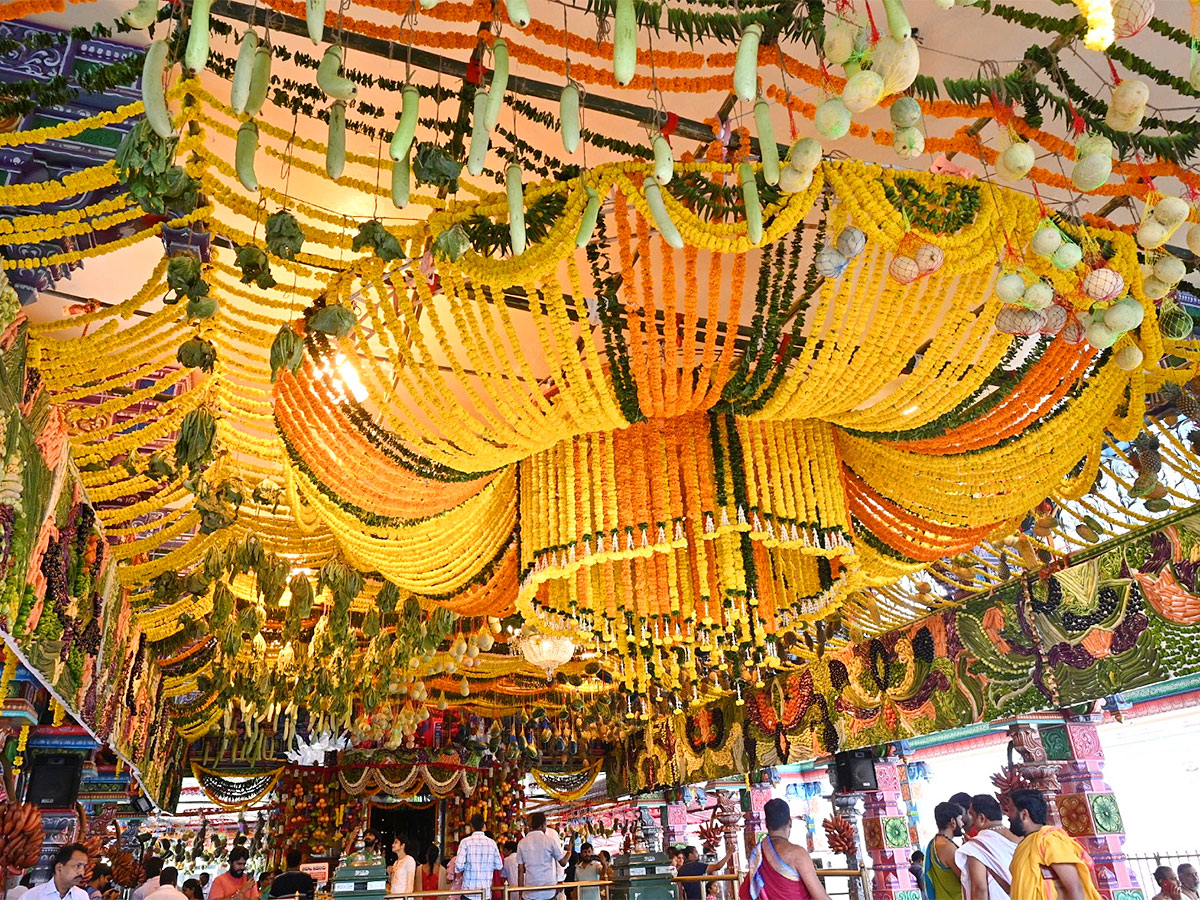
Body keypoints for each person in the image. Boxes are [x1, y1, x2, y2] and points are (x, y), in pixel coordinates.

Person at [1008, 789, 1100, 900]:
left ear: (1024, 814)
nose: (1008, 816)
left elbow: (1075, 888)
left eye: (1010, 810)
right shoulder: (1026, 844)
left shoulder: (1048, 840)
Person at [738, 797, 831, 900]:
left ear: (767, 824)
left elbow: (744, 892)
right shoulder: (797, 854)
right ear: (790, 822)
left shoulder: (758, 851)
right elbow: (821, 897)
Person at [953, 795, 1018, 900]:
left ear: (981, 818)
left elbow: (980, 889)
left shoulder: (975, 848)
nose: (970, 820)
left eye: (972, 815)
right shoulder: (1019, 837)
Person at [517, 813, 569, 900]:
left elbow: (520, 870)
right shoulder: (550, 841)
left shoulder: (522, 843)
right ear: (543, 824)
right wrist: (569, 851)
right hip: (548, 892)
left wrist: (520, 892)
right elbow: (563, 863)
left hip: (529, 892)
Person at [455, 815, 503, 900]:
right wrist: (487, 866)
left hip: (469, 892)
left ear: (471, 827)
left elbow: (458, 866)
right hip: (485, 893)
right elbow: (499, 865)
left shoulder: (465, 842)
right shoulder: (492, 843)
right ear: (483, 826)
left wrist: (468, 866)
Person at [924, 803, 964, 900]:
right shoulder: (947, 847)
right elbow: (966, 878)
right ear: (953, 822)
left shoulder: (933, 844)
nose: (962, 824)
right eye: (960, 820)